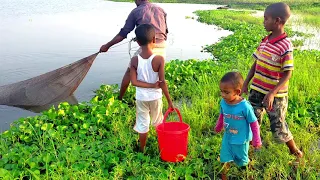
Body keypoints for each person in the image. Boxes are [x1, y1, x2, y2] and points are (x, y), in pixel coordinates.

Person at [241, 2, 303, 165]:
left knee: (278, 125)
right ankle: (254, 148)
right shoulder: (265, 41)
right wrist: (246, 82)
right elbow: (256, 64)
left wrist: (272, 92)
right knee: (253, 120)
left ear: (277, 21)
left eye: (265, 18)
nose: (263, 21)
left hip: (275, 95)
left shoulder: (285, 45)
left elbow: (287, 73)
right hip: (256, 89)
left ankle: (294, 150)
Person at [99, 0, 168, 100]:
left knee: (130, 71)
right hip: (162, 45)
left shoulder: (136, 12)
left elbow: (123, 34)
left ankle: (120, 98)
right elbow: (165, 32)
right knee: (157, 74)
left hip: (149, 45)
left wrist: (107, 46)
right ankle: (157, 98)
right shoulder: (161, 9)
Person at [130, 24, 173, 152]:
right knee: (158, 122)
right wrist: (170, 102)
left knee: (143, 124)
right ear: (154, 39)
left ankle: (142, 149)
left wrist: (149, 85)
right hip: (155, 97)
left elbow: (134, 82)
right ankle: (162, 148)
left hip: (141, 97)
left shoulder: (134, 60)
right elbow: (162, 83)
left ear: (137, 42)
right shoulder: (159, 59)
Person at [215, 72, 262, 179]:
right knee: (224, 158)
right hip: (227, 137)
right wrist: (219, 125)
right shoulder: (223, 102)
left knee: (242, 161)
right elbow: (222, 114)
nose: (222, 95)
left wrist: (257, 139)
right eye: (221, 91)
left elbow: (254, 123)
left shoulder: (245, 107)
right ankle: (224, 176)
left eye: (226, 92)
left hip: (241, 140)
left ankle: (250, 173)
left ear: (237, 92)